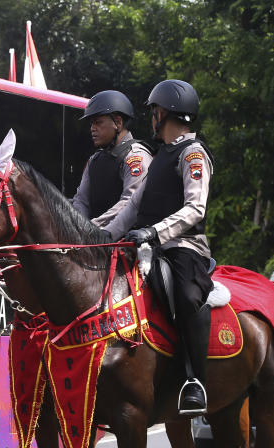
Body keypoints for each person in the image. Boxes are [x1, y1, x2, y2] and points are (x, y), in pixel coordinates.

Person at [92, 79, 214, 416]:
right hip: (147, 244)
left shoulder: (193, 154)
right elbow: (129, 209)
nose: (152, 117)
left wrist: (154, 233)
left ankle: (194, 380)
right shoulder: (158, 155)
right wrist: (91, 237)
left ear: (166, 112)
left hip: (183, 247)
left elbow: (195, 209)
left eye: (155, 111)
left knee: (187, 295)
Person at [72, 90, 154, 220]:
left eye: (98, 122)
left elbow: (130, 203)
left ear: (118, 122)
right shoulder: (94, 160)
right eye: (91, 123)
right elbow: (81, 201)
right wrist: (77, 227)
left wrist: (91, 229)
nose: (92, 128)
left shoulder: (135, 156)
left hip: (128, 238)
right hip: (96, 236)